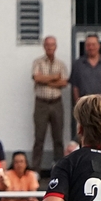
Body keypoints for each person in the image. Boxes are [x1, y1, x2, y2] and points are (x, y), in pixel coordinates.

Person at [30, 36, 68, 173]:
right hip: (41, 103)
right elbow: (36, 78)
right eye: (47, 45)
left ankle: (59, 169)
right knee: (39, 138)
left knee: (58, 138)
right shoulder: (38, 62)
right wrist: (54, 78)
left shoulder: (61, 64)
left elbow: (64, 82)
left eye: (52, 45)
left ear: (55, 46)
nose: (50, 47)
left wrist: (45, 80)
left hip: (56, 103)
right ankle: (35, 170)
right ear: (44, 46)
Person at [70, 34, 101, 105]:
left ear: (99, 46)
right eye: (88, 45)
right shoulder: (78, 64)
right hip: (85, 105)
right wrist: (78, 103)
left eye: (93, 44)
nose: (91, 47)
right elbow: (75, 87)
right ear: (85, 47)